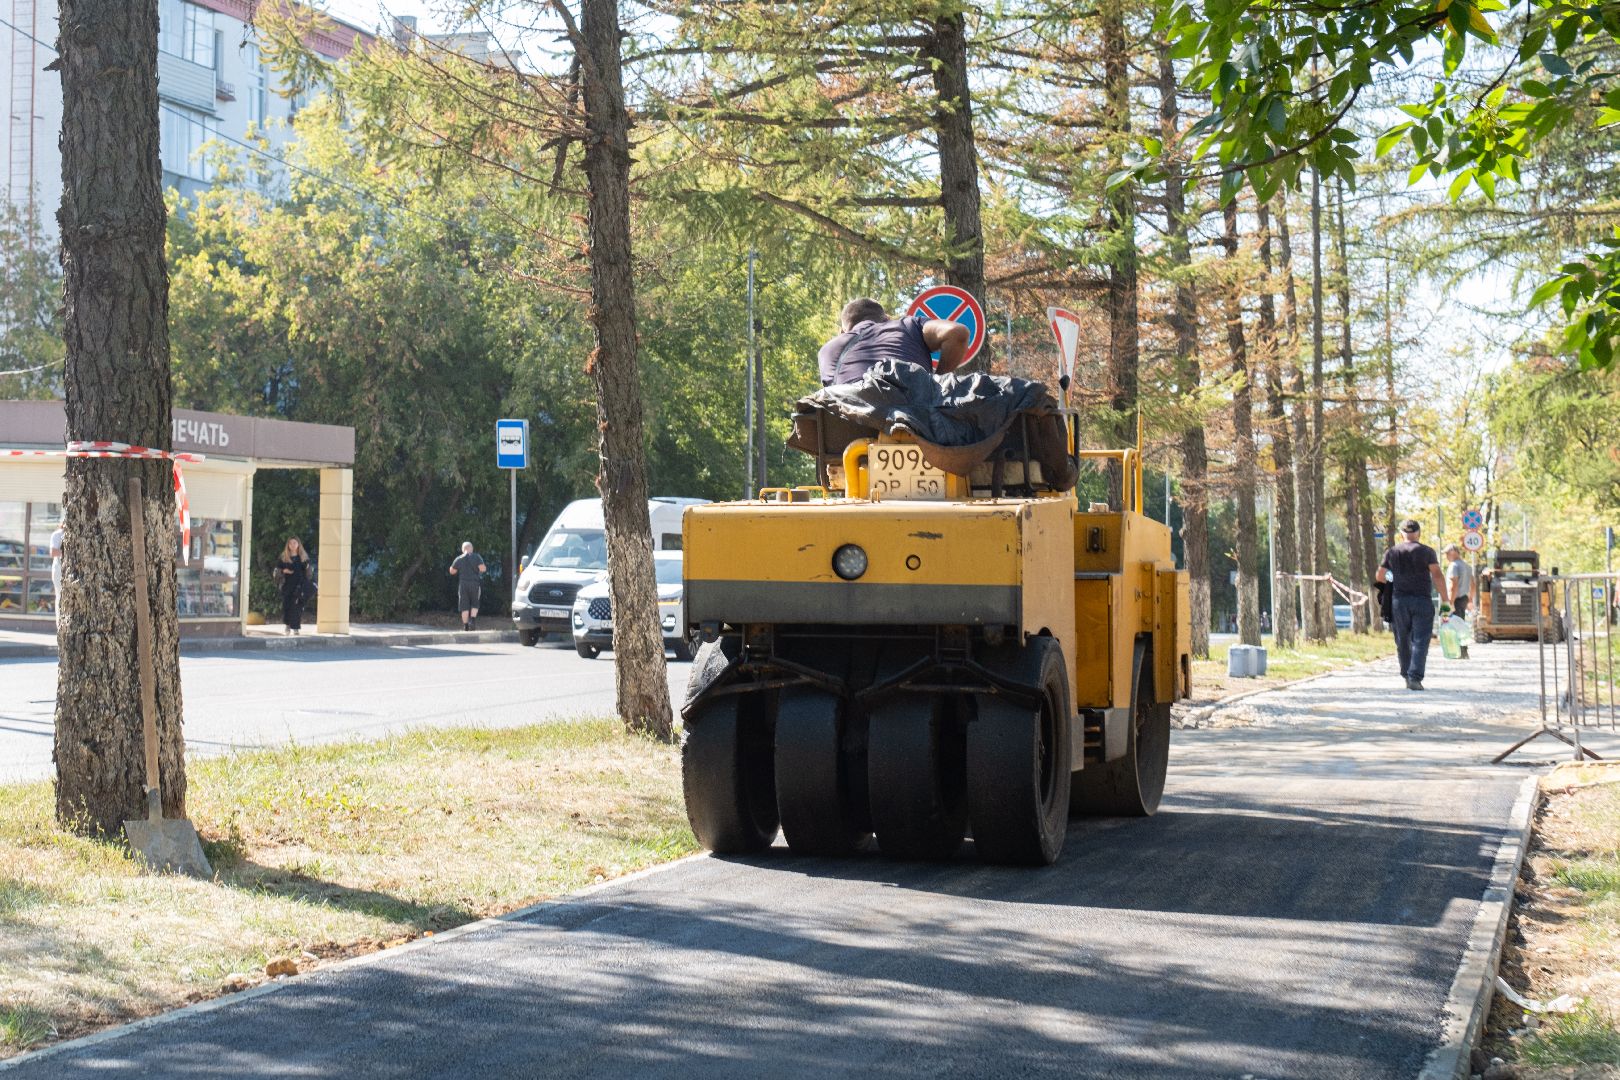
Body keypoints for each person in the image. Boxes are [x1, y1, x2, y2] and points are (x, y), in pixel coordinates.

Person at [817, 298, 972, 387]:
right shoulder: (906, 325)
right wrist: (937, 384)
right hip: (915, 418)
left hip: (851, 426)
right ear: (887, 319)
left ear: (843, 332)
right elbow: (957, 333)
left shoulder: (828, 349)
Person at [1376, 520, 1449, 691]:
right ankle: (1415, 677)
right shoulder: (1427, 551)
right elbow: (1437, 575)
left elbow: (1380, 576)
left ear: (1401, 534)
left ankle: (1406, 675)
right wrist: (1445, 599)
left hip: (1399, 602)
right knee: (1421, 640)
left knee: (1402, 640)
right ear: (1419, 533)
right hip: (1422, 601)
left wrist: (1392, 580)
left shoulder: (1392, 552)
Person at [274, 537, 312, 636]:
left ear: (298, 544)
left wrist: (307, 580)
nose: (292, 545)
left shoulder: (303, 557)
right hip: (287, 586)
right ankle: (287, 625)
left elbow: (309, 573)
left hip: (299, 586)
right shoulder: (283, 557)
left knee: (297, 607)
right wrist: (283, 571)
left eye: (294, 543)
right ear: (288, 545)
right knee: (287, 606)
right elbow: (276, 572)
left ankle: (295, 628)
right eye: (290, 543)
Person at [449, 541, 486, 631]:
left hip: (463, 584)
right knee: (475, 603)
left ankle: (465, 626)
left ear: (463, 549)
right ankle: (472, 621)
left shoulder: (459, 558)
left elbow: (452, 571)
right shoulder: (477, 557)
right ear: (471, 548)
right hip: (474, 583)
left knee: (464, 606)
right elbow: (483, 569)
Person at [1443, 544, 1474, 620]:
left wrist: (1450, 602)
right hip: (1464, 599)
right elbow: (1473, 585)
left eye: (1447, 554)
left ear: (1453, 552)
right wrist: (1470, 599)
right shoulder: (1467, 566)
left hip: (1453, 599)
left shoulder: (1453, 566)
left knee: (1448, 625)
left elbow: (1454, 585)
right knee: (1460, 624)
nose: (1446, 557)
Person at [49, 523, 63, 621]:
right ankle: (59, 623)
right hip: (59, 569)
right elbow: (53, 552)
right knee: (59, 596)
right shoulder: (57, 535)